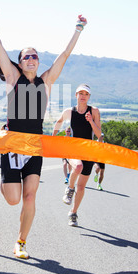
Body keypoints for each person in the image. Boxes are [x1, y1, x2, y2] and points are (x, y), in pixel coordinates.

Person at [0, 2, 87, 258]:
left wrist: (78, 30)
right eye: (26, 56)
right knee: (12, 199)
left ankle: (21, 241)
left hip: (34, 147)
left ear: (38, 62)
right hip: (11, 145)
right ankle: (5, 181)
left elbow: (64, 55)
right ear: (19, 63)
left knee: (30, 197)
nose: (31, 59)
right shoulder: (13, 78)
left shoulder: (47, 81)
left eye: (35, 56)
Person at [53, 84, 101, 227]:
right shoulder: (70, 112)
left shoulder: (94, 111)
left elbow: (99, 135)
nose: (83, 96)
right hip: (72, 149)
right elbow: (59, 121)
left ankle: (73, 213)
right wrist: (53, 137)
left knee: (82, 187)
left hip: (89, 151)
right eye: (80, 93)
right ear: (76, 95)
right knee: (78, 166)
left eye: (86, 94)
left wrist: (91, 121)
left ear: (89, 97)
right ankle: (70, 188)